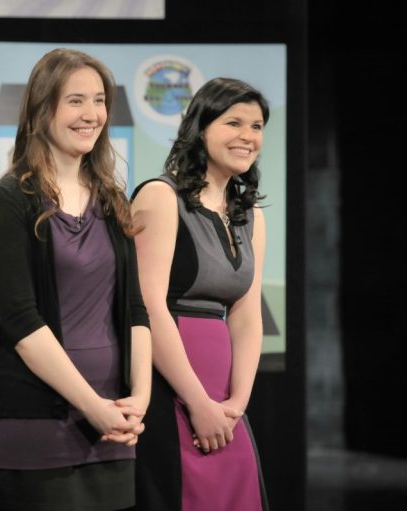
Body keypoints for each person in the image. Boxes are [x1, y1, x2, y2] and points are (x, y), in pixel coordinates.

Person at [0, 48, 152, 511]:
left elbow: (135, 308)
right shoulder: (10, 200)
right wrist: (93, 407)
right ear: (43, 108)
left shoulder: (113, 199)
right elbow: (22, 323)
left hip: (115, 424)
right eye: (76, 101)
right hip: (39, 426)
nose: (91, 114)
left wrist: (139, 397)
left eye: (99, 101)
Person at [131, 77, 271, 511]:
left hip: (225, 398)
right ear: (201, 127)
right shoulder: (160, 196)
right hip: (168, 386)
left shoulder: (251, 218)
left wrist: (235, 404)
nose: (248, 137)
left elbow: (248, 315)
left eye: (257, 126)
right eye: (234, 123)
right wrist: (197, 402)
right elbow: (148, 304)